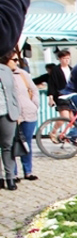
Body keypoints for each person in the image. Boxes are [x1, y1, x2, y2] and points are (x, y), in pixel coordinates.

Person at [2, 51, 38, 182]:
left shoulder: (22, 74)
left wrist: (34, 105)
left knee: (26, 142)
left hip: (28, 113)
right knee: (11, 144)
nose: (17, 62)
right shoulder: (4, 75)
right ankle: (13, 173)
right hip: (12, 115)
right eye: (14, 60)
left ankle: (28, 171)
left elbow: (33, 89)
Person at [0, 52, 19, 190]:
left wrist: (17, 110)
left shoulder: (5, 70)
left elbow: (13, 92)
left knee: (8, 146)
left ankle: (10, 177)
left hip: (7, 112)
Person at [47, 49, 73, 142]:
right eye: (64, 58)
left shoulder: (71, 69)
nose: (66, 60)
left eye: (68, 58)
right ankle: (53, 132)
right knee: (64, 117)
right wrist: (50, 97)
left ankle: (68, 135)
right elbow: (51, 84)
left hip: (71, 96)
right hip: (60, 96)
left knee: (72, 119)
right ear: (60, 59)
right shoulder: (56, 70)